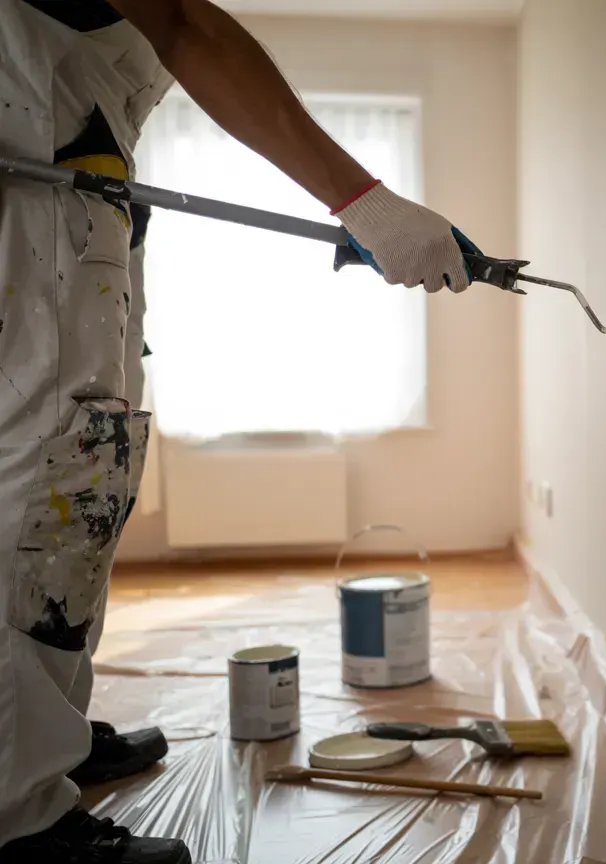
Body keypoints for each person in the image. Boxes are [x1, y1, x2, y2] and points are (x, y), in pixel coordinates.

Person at [0, 1, 474, 861]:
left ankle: (44, 746)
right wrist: (364, 202)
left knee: (81, 494)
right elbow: (183, 24)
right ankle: (17, 817)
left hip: (72, 198)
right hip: (34, 207)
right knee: (39, 503)